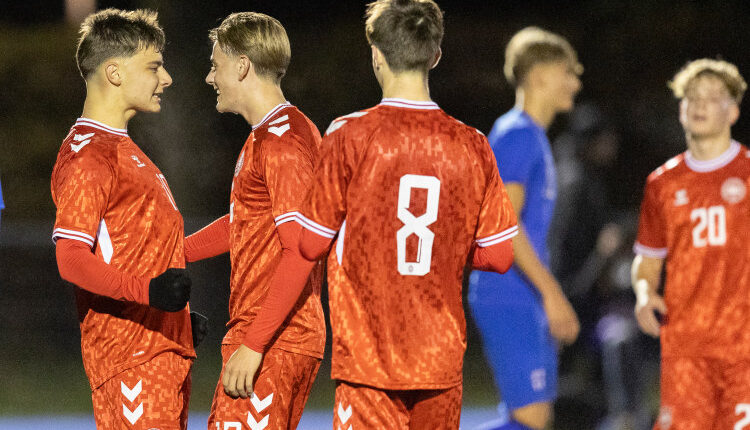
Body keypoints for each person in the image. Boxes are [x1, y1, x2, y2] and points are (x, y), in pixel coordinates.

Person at [223, 1, 515, 427]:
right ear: (435, 55)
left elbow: (308, 244)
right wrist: (441, 244)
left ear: (376, 53)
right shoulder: (472, 144)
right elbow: (500, 255)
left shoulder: (349, 135)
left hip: (369, 362)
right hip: (441, 360)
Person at [51, 9, 196, 429]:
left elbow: (140, 249)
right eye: (153, 66)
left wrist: (175, 319)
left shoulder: (125, 150)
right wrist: (148, 293)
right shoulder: (89, 155)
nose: (165, 78)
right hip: (130, 359)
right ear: (114, 73)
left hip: (158, 350)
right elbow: (71, 259)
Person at [183, 12, 325, 429]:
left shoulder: (283, 142)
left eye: (216, 65)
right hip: (274, 335)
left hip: (277, 338)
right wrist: (173, 251)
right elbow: (242, 224)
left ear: (242, 65)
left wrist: (255, 342)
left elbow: (299, 250)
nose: (211, 77)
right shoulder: (269, 136)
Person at [468, 26, 582, 430]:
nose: (576, 81)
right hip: (508, 292)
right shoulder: (518, 135)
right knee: (532, 420)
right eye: (568, 71)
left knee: (532, 419)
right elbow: (505, 222)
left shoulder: (532, 137)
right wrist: (552, 294)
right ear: (538, 77)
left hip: (522, 292)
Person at [632, 59, 749, 430]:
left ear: (733, 111)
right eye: (691, 97)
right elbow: (647, 260)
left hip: (743, 349)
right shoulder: (662, 183)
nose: (699, 105)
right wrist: (643, 292)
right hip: (686, 351)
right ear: (681, 109)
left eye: (712, 97)